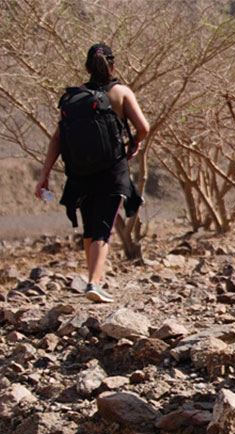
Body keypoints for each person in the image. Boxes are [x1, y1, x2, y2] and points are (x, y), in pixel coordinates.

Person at [36, 43, 149, 304]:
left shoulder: (72, 98)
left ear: (87, 68)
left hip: (79, 171)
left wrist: (44, 175)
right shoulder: (120, 92)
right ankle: (94, 282)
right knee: (103, 227)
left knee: (90, 226)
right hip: (111, 168)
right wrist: (134, 143)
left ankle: (92, 278)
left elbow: (57, 138)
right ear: (113, 66)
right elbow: (143, 127)